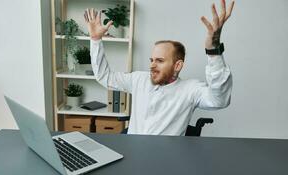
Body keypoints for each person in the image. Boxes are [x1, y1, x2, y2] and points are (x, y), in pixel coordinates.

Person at [84, 0, 235, 136]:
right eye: (152, 60)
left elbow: (219, 100)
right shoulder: (139, 79)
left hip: (166, 159)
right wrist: (96, 40)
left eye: (160, 61)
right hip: (133, 152)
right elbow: (105, 77)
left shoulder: (191, 89)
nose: (152, 65)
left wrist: (213, 50)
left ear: (177, 65)